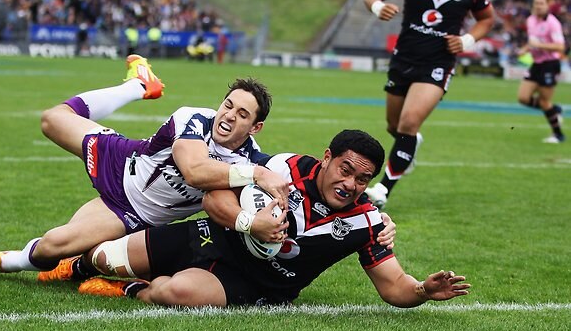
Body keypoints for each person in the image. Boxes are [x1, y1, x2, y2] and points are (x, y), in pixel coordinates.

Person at [0, 55, 293, 281]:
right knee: (52, 120)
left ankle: (3, 260)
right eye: (228, 105)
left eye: (242, 114)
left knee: (54, 246)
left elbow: (221, 202)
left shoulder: (249, 161)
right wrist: (257, 173)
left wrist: (261, 218)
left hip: (130, 213)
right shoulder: (194, 118)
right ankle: (139, 85)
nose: (229, 115)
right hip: (120, 159)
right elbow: (194, 170)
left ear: (255, 127)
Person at [77, 130, 469, 308]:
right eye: (345, 169)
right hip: (209, 237)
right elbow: (214, 197)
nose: (350, 184)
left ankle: (133, 290)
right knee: (102, 258)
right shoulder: (281, 167)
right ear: (326, 157)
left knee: (174, 293)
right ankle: (74, 265)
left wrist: (421, 291)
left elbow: (393, 285)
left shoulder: (367, 222)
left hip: (249, 281)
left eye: (362, 178)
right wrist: (251, 222)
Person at [362, 0, 495, 208]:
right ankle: (410, 145)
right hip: (404, 59)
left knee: (408, 123)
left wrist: (468, 39)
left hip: (437, 64)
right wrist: (377, 8)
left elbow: (487, 19)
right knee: (395, 126)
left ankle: (382, 191)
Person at [516, 0, 565, 143]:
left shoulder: (553, 23)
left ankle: (558, 135)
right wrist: (525, 49)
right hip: (536, 64)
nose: (538, 6)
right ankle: (554, 110)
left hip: (550, 64)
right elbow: (532, 42)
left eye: (541, 3)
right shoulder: (530, 20)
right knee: (523, 98)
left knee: (544, 101)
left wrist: (540, 45)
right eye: (536, 3)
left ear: (548, 5)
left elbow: (560, 47)